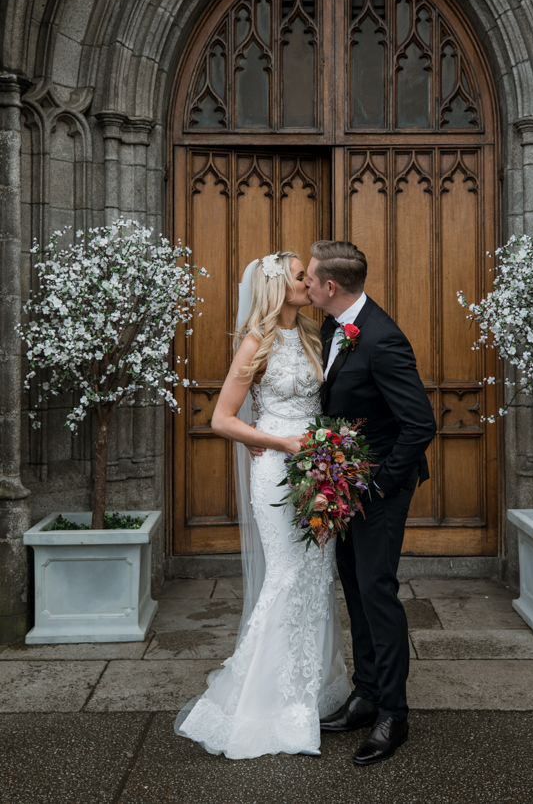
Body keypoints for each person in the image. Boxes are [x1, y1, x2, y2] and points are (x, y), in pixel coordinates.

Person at [174, 251, 349, 759]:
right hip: (278, 474)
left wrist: (323, 448)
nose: (309, 281)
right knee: (287, 576)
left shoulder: (316, 335)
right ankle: (265, 704)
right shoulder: (258, 341)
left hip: (318, 469)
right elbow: (223, 420)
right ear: (278, 287)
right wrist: (278, 443)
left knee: (318, 576)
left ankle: (307, 688)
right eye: (301, 276)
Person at [306, 240, 437, 766]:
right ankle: (365, 694)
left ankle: (394, 714)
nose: (306, 286)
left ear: (331, 287)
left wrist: (378, 485)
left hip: (379, 490)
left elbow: (420, 424)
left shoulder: (382, 339)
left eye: (311, 279)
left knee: (378, 592)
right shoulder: (333, 327)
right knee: (354, 587)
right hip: (345, 486)